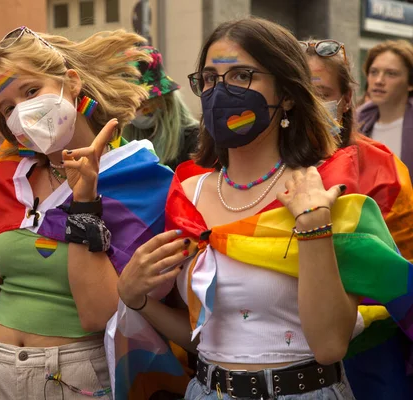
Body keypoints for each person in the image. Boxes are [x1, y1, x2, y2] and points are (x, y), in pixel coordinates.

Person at [116, 17, 413, 400]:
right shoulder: (186, 195)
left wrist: (313, 227)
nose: (220, 92)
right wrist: (136, 298)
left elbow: (329, 346)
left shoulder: (324, 193)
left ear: (287, 94)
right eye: (209, 78)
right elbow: (204, 340)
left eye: (241, 76)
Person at [0, 27, 173, 399]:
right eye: (7, 107)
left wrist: (85, 203)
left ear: (72, 83)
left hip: (73, 380)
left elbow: (101, 314)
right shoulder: (10, 174)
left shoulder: (140, 179)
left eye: (31, 91)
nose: (22, 112)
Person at [303, 39, 413, 399]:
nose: (305, 103)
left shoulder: (382, 169)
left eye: (319, 92)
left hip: (368, 344)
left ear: (346, 99)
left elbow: (395, 267)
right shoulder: (247, 163)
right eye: (295, 89)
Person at [123, 46, 199, 170]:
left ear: (165, 99)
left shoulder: (193, 141)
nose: (136, 109)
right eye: (130, 102)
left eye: (143, 101)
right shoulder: (126, 143)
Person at [358, 40, 413, 177]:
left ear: (410, 83)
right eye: (374, 72)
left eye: (391, 74)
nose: (379, 80)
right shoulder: (356, 124)